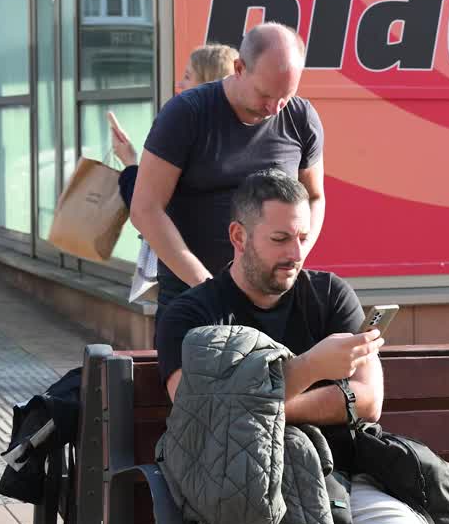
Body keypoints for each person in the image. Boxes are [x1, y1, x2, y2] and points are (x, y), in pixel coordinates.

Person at [156, 169, 449, 524]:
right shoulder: (191, 315)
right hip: (234, 494)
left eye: (303, 238)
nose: (295, 253)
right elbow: (199, 412)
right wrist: (311, 369)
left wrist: (256, 408)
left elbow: (368, 400)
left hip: (338, 483)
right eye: (280, 239)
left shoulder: (330, 295)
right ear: (239, 237)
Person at [130, 22, 326, 316]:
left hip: (273, 299)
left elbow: (314, 197)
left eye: (285, 96)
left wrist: (296, 255)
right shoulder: (186, 114)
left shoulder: (301, 118)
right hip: (194, 297)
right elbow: (145, 209)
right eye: (265, 94)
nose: (274, 108)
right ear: (239, 68)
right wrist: (209, 289)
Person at [108, 43, 239, 206]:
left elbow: (145, 206)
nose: (179, 84)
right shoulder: (241, 134)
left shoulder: (184, 132)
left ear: (206, 84)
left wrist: (129, 161)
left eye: (187, 76)